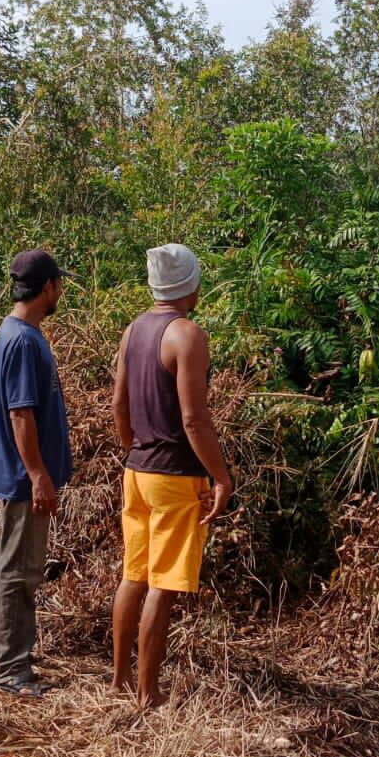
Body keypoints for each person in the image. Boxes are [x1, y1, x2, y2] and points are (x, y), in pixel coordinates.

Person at [109, 242, 233, 708]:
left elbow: (118, 403)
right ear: (193, 285)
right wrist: (221, 477)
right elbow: (194, 420)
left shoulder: (133, 330)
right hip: (175, 476)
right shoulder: (187, 335)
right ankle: (148, 693)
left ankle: (120, 680)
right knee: (163, 583)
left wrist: (134, 449)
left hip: (136, 471)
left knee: (133, 576)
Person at [0, 248, 74, 696]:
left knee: (5, 560)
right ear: (47, 287)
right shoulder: (22, 340)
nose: (62, 292)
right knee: (21, 569)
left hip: (19, 474)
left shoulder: (19, 332)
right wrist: (37, 473)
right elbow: (21, 414)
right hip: (23, 478)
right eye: (60, 284)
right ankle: (11, 669)